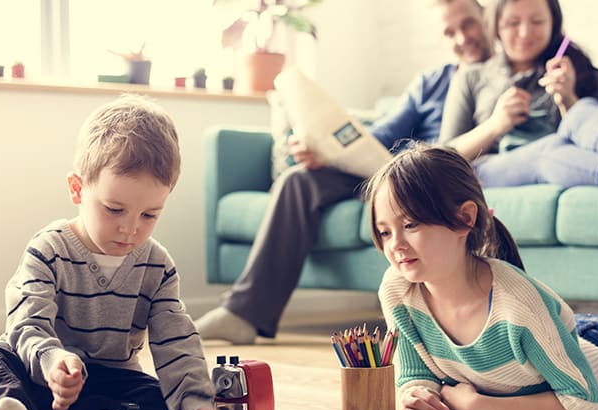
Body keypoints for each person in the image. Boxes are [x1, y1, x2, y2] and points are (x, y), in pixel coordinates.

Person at [194, 0, 495, 345]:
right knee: (299, 181)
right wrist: (328, 152)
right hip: (391, 175)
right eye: (450, 32)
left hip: (435, 183)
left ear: (486, 20)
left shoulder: (500, 79)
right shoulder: (432, 82)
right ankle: (243, 313)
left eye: (468, 25)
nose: (461, 39)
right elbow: (381, 135)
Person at [365, 145, 598, 410]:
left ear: (464, 219)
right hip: (566, 342)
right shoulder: (398, 291)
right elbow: (416, 373)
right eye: (384, 231)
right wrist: (414, 396)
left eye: (411, 225)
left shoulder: (518, 303)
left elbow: (583, 402)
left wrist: (481, 407)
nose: (394, 245)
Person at [0, 95, 225, 410]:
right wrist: (52, 360)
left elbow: (175, 341)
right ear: (77, 189)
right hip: (46, 379)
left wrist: (195, 404)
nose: (130, 229)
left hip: (116, 384)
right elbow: (27, 323)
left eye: (150, 214)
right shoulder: (48, 250)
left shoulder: (157, 267)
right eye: (114, 209)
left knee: (159, 396)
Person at [439, 0, 598, 197]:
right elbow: (443, 156)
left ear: (553, 24)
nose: (525, 32)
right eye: (513, 23)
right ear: (496, 26)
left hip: (564, 155)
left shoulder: (565, 66)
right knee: (550, 148)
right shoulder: (472, 76)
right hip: (490, 167)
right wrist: (495, 124)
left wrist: (568, 99)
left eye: (537, 21)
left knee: (581, 109)